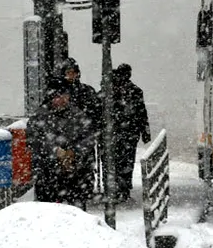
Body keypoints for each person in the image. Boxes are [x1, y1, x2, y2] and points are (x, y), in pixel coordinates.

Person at [27, 78, 95, 209]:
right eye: (58, 96)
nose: (62, 99)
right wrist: (55, 151)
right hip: (48, 174)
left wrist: (74, 152)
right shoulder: (39, 116)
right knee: (47, 212)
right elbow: (33, 140)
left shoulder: (78, 114)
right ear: (51, 97)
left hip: (75, 174)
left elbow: (88, 138)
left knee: (77, 213)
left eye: (65, 95)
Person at [59, 57, 103, 198]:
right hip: (66, 140)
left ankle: (81, 193)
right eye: (68, 72)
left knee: (83, 172)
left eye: (73, 72)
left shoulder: (87, 91)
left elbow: (96, 116)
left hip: (83, 139)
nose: (71, 75)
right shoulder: (58, 92)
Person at [110, 63, 151, 202]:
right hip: (127, 133)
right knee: (125, 162)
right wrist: (145, 132)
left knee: (116, 162)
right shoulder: (134, 91)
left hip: (119, 132)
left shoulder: (115, 90)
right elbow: (142, 113)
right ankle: (123, 188)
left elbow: (141, 113)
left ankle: (119, 187)